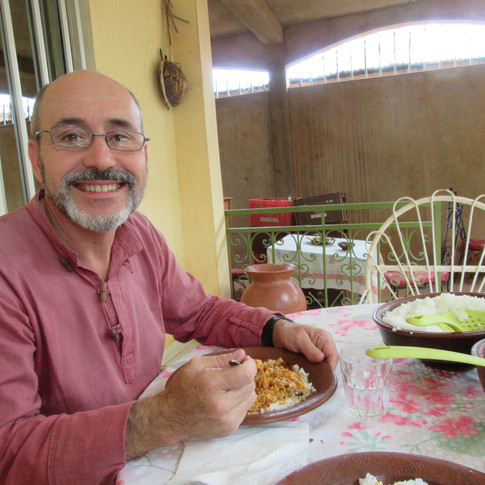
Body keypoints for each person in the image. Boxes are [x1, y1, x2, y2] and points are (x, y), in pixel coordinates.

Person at [0, 70, 338, 485]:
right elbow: (8, 451)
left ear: (144, 155)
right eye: (71, 137)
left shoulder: (139, 233)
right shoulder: (6, 267)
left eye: (120, 137)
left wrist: (276, 329)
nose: (102, 159)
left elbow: (199, 311)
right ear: (36, 159)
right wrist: (161, 419)